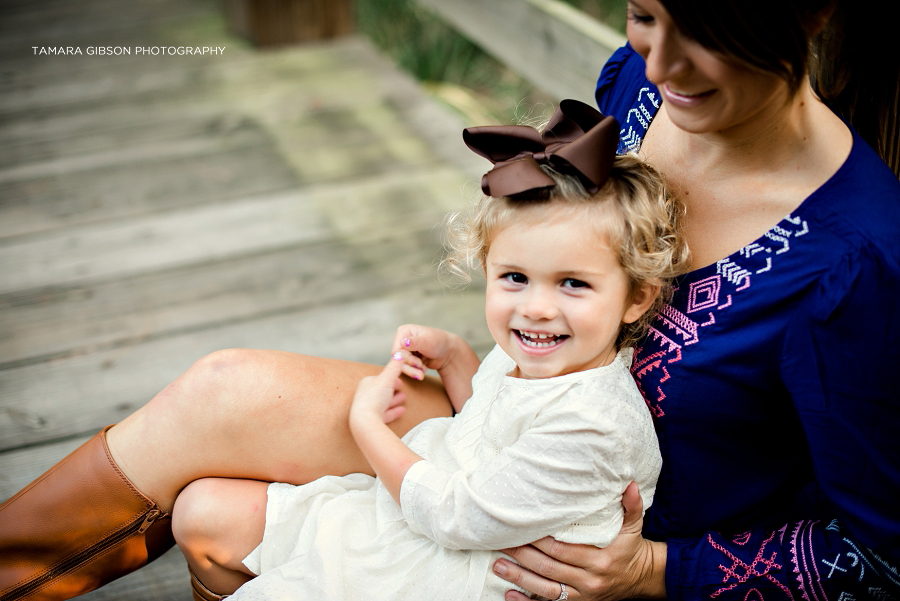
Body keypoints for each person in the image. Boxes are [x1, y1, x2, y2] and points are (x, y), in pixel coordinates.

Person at [1, 0, 899, 599]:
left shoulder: (857, 258)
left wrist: (655, 571)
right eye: (642, 13)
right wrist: (481, 369)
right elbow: (551, 248)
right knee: (220, 401)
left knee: (225, 526)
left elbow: (883, 560)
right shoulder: (639, 89)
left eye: (700, 27)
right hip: (520, 414)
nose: (660, 61)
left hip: (601, 541)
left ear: (808, 12)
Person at [170, 100, 687, 600]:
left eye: (572, 283)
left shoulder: (594, 424)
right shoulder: (545, 355)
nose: (536, 307)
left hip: (459, 568)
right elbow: (490, 429)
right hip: (427, 524)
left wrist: (367, 427)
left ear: (635, 297)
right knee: (199, 511)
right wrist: (459, 358)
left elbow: (455, 515)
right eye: (514, 277)